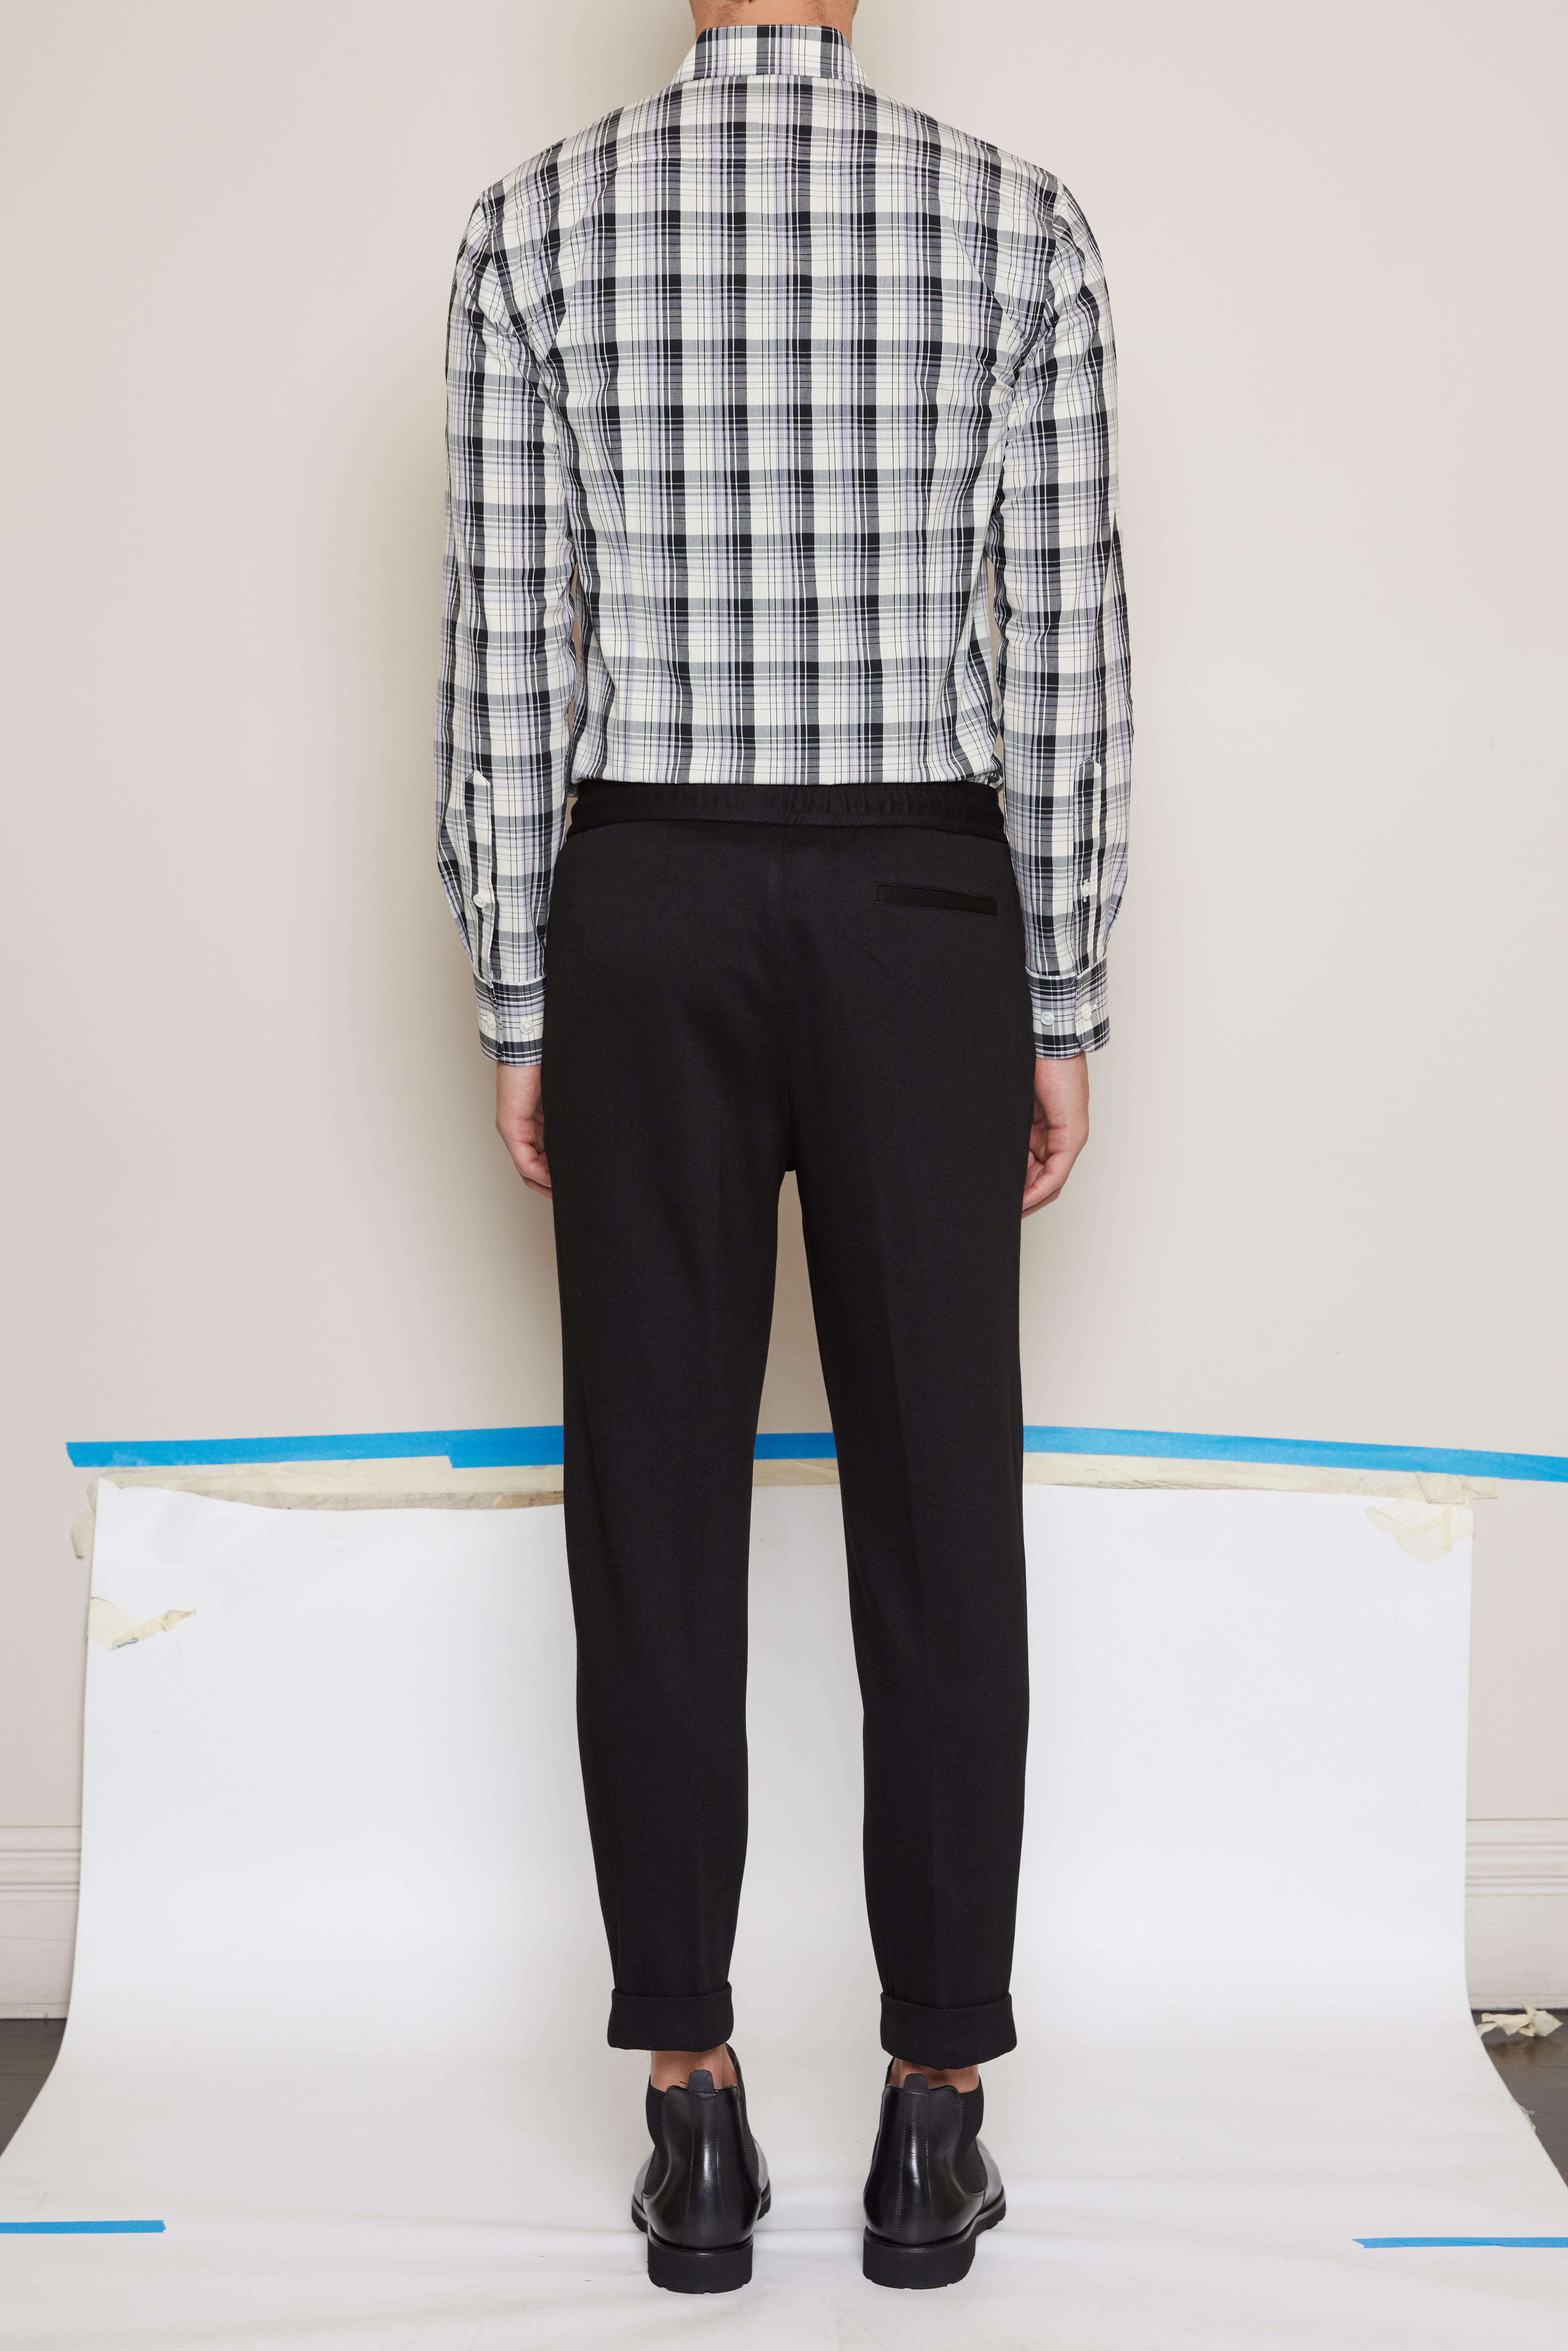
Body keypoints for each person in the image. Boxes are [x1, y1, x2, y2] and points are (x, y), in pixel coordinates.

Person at [436, 0, 1130, 2296]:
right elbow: (1068, 655)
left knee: (654, 1504)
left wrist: (520, 995)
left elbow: (509, 654)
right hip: (927, 903)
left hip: (643, 894)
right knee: (942, 1498)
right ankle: (934, 2122)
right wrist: (1064, 994)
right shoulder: (1016, 222)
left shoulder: (534, 226)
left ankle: (695, 2113)